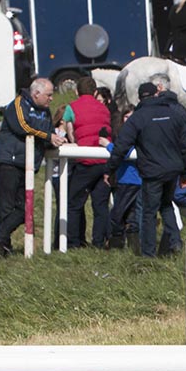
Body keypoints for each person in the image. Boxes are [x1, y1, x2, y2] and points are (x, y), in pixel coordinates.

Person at [106, 81, 186, 258]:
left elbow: (121, 146)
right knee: (166, 205)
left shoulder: (138, 117)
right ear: (156, 94)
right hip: (173, 170)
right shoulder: (173, 113)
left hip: (152, 172)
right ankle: (175, 243)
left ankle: (148, 255)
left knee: (149, 212)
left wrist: (110, 169)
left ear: (140, 97)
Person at [0, 78, 66, 257]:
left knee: (23, 208)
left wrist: (55, 141)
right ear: (36, 93)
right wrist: (48, 136)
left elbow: (45, 135)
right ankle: (1, 246)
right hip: (8, 161)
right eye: (49, 95)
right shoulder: (17, 104)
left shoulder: (45, 112)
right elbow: (22, 127)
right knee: (6, 206)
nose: (51, 99)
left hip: (28, 165)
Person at [65, 77, 111, 249]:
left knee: (74, 203)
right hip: (103, 159)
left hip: (85, 160)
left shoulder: (72, 107)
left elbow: (70, 131)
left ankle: (74, 243)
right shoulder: (104, 109)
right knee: (100, 204)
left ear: (77, 91)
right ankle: (99, 242)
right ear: (95, 92)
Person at [104, 108, 141, 251]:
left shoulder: (136, 134)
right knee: (130, 216)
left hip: (130, 180)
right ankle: (132, 249)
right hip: (126, 179)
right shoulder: (123, 133)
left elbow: (125, 152)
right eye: (126, 116)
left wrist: (107, 145)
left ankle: (116, 247)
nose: (129, 119)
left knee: (117, 215)